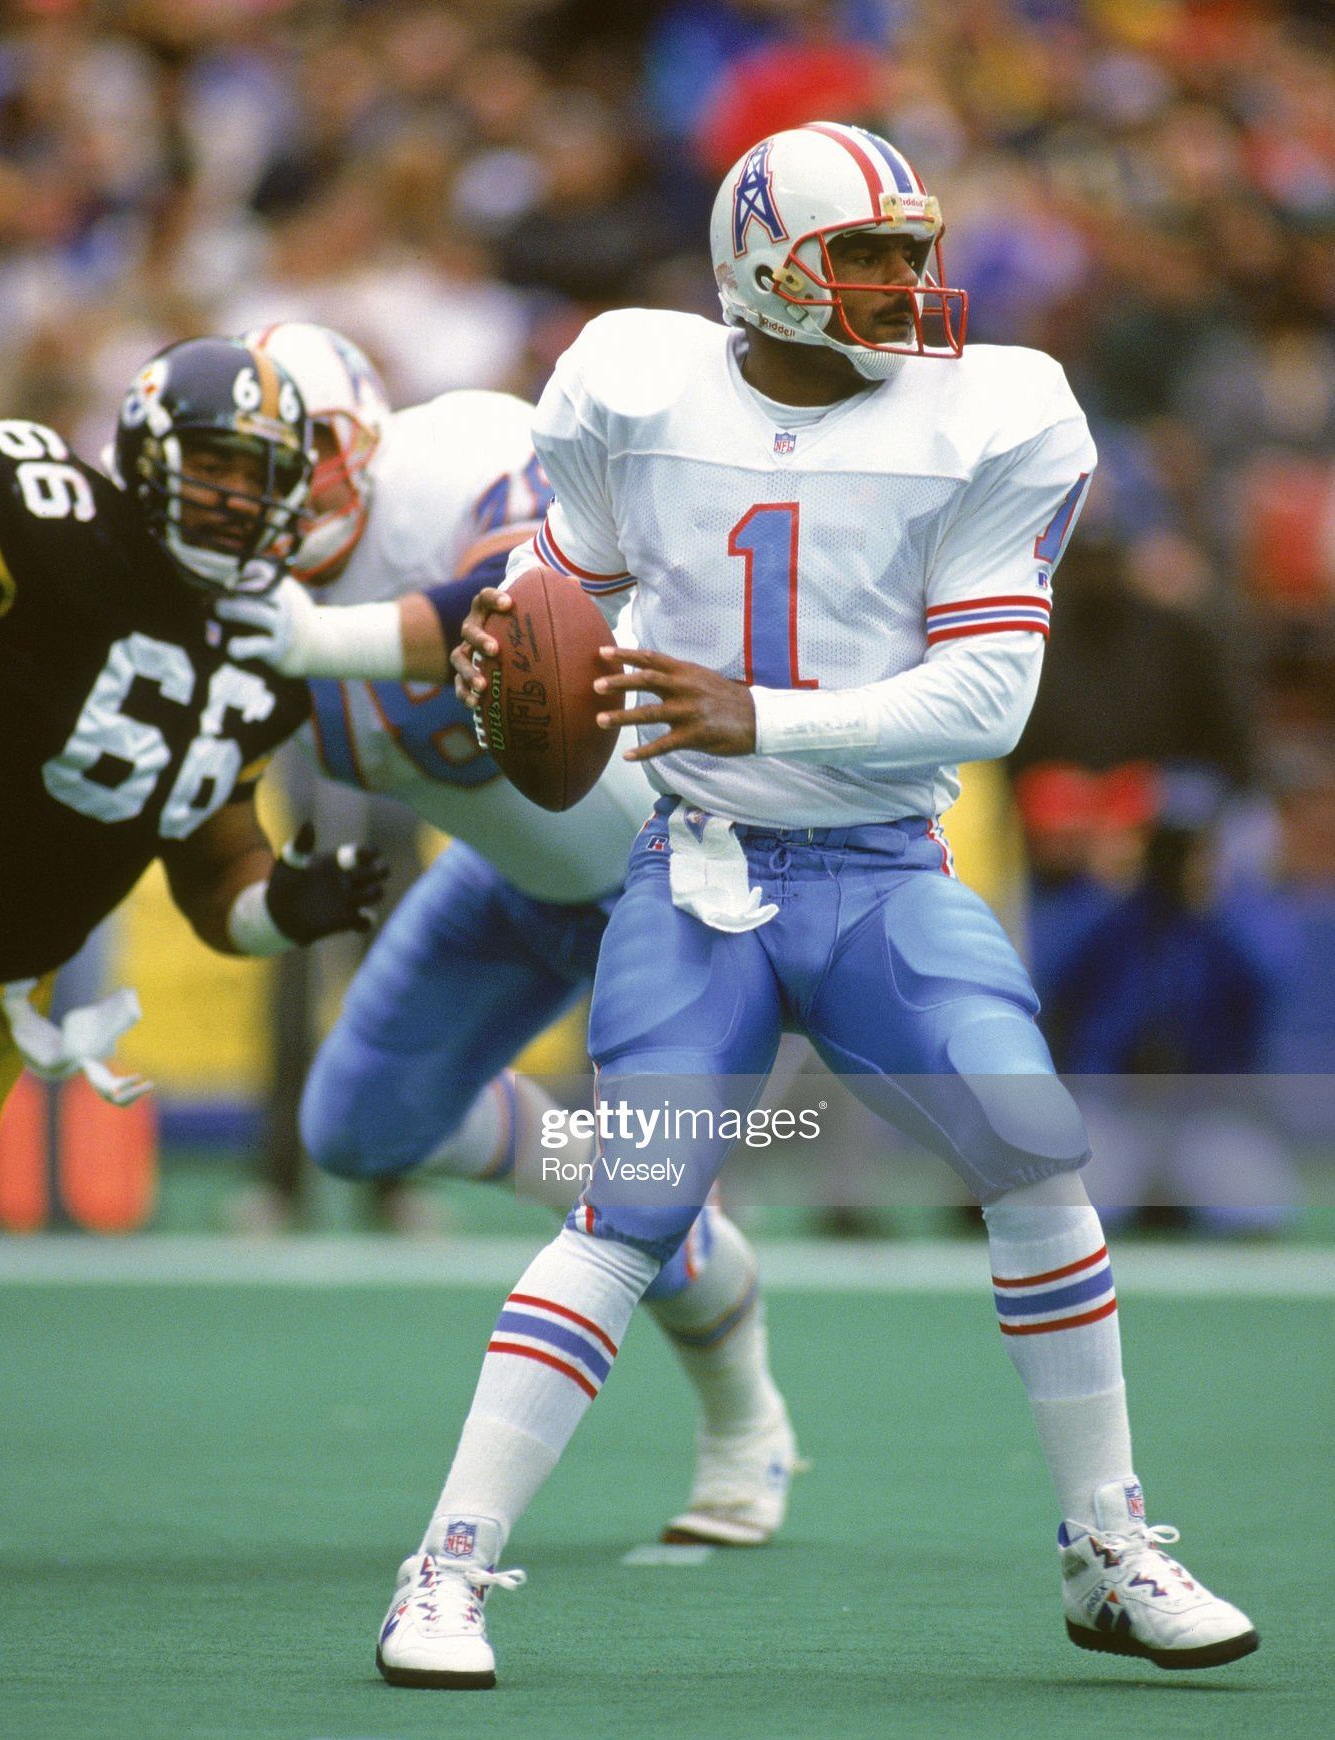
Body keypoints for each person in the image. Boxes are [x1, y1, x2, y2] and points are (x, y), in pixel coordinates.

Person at [402, 122, 1256, 1689]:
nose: (908, 284)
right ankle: (446, 1567)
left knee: (1037, 1156)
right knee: (633, 1204)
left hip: (881, 875)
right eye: (865, 255)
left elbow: (991, 695)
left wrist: (762, 716)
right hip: (701, 872)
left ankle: (1108, 1546)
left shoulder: (999, 413)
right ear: (758, 266)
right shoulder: (633, 384)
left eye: (914, 250)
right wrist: (503, 652)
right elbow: (563, 595)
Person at [213, 321, 802, 1553]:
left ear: (362, 442)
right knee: (356, 1125)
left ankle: (749, 1428)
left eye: (299, 454)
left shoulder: (461, 455)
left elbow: (516, 614)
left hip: (667, 878)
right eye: (247, 463)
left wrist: (318, 640)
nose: (275, 491)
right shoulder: (218, 588)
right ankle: (604, 1170)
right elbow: (195, 789)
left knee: (647, 1214)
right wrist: (264, 905)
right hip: (512, 877)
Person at [0, 335, 388, 1164]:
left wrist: (275, 910)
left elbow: (215, 862)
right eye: (213, 462)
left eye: (261, 475)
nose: (237, 496)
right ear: (142, 447)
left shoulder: (268, 655)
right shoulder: (44, 523)